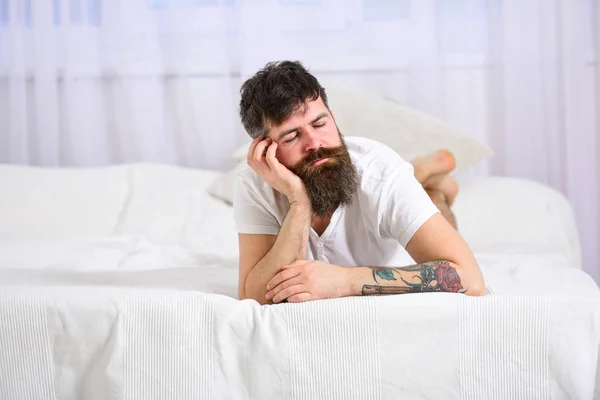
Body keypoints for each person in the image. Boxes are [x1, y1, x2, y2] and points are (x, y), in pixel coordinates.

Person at [234, 61, 485, 305]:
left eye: (320, 124)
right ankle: (424, 179)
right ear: (266, 149)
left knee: (437, 210)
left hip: (388, 186)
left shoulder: (382, 173)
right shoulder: (254, 184)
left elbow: (470, 280)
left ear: (333, 118)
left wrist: (346, 280)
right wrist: (299, 201)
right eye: (291, 136)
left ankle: (431, 185)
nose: (315, 143)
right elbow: (256, 296)